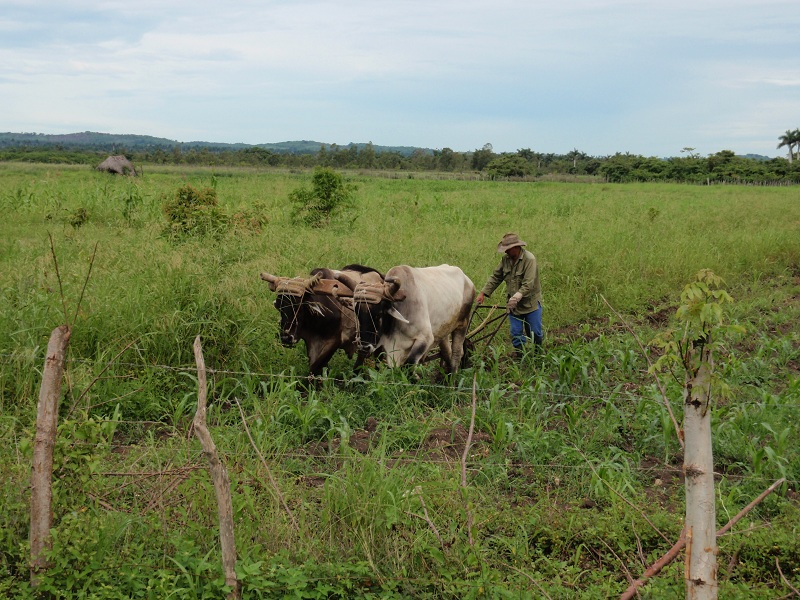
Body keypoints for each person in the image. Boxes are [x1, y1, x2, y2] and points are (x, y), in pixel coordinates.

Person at [475, 232, 543, 357]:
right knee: (516, 334)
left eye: (507, 249)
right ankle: (521, 357)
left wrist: (517, 296)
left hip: (530, 304)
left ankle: (538, 354)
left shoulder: (529, 260)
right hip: (514, 306)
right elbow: (496, 277)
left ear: (516, 247)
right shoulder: (505, 260)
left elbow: (529, 284)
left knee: (535, 333)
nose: (505, 252)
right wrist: (483, 293)